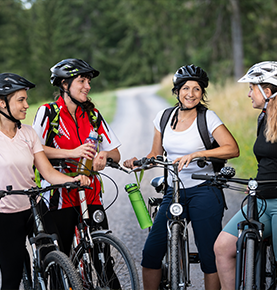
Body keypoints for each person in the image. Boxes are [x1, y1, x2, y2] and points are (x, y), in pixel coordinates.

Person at [123, 64, 240, 290]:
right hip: (173, 190)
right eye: (186, 88)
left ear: (202, 93)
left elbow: (232, 148)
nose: (191, 94)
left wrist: (198, 153)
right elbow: (155, 154)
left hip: (204, 190)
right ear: (177, 91)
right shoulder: (164, 117)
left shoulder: (208, 118)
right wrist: (139, 163)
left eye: (197, 89)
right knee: (151, 254)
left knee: (209, 257)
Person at [0, 73, 90, 290]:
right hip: (5, 213)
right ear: (2, 103)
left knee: (55, 254)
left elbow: (48, 172)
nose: (26, 105)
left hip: (34, 206)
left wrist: (73, 179)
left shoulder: (29, 134)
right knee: (11, 277)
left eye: (25, 99)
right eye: (20, 100)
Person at [32, 58, 121, 257]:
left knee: (103, 259)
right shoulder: (48, 112)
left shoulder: (93, 115)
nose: (87, 86)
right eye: (82, 81)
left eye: (88, 81)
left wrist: (104, 155)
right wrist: (72, 153)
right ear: (65, 84)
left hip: (90, 192)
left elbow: (116, 154)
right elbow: (33, 149)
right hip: (59, 196)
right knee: (62, 260)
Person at [214, 61, 277, 290]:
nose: (249, 94)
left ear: (267, 92)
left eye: (252, 88)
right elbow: (268, 161)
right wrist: (255, 183)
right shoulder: (263, 118)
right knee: (223, 247)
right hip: (261, 200)